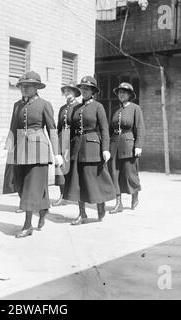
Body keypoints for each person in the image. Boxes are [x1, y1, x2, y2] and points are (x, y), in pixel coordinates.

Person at [4, 71, 62, 238]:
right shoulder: (17, 105)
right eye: (22, 86)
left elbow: (52, 129)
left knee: (30, 188)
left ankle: (27, 225)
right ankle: (43, 207)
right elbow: (13, 127)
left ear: (36, 87)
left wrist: (56, 153)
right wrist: (8, 147)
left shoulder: (45, 104)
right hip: (20, 150)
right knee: (22, 187)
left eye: (27, 86)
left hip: (39, 150)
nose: (24, 88)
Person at [63, 76, 116, 224]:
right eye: (82, 88)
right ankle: (82, 213)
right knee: (78, 180)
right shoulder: (76, 108)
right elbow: (72, 130)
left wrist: (105, 149)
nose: (84, 91)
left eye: (87, 88)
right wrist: (67, 149)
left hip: (93, 146)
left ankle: (100, 204)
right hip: (77, 147)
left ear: (93, 91)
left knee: (95, 178)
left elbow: (105, 130)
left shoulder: (98, 107)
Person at [108, 82, 145, 214]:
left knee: (130, 174)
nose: (121, 94)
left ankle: (135, 193)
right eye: (119, 92)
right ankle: (118, 203)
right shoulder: (115, 110)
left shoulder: (135, 108)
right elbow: (109, 129)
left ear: (130, 94)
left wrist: (138, 146)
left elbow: (140, 128)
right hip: (114, 145)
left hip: (129, 144)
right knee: (114, 173)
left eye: (124, 92)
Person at [53, 81, 81, 207]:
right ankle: (62, 195)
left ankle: (73, 195)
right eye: (65, 91)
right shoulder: (62, 109)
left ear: (75, 93)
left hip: (72, 140)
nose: (67, 93)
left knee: (72, 168)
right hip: (61, 140)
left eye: (70, 91)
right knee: (60, 168)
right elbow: (59, 127)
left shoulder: (79, 107)